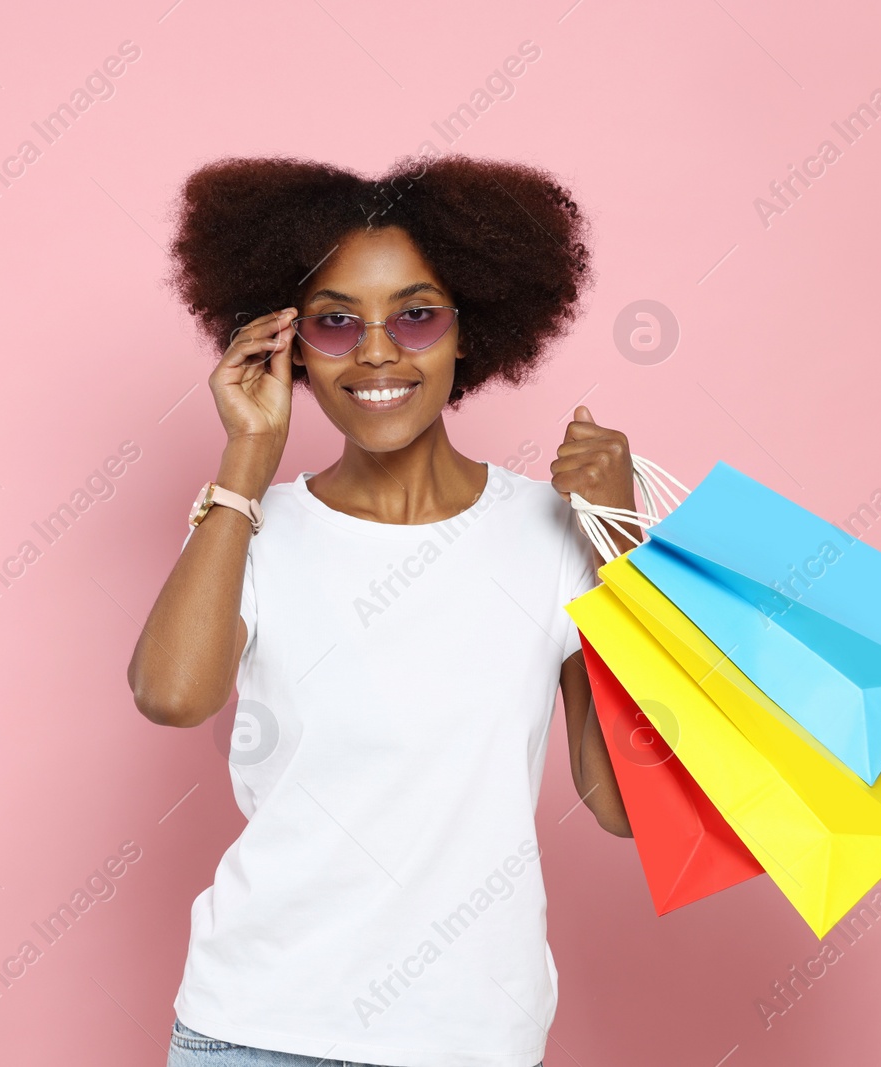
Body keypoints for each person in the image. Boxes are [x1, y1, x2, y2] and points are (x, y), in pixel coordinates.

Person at [128, 155, 637, 1067]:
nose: (375, 349)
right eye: (334, 322)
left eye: (415, 314)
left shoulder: (553, 535)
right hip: (255, 1029)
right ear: (290, 348)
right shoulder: (250, 528)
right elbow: (171, 694)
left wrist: (627, 547)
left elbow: (624, 805)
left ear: (467, 331)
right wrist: (247, 456)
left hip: (470, 1040)